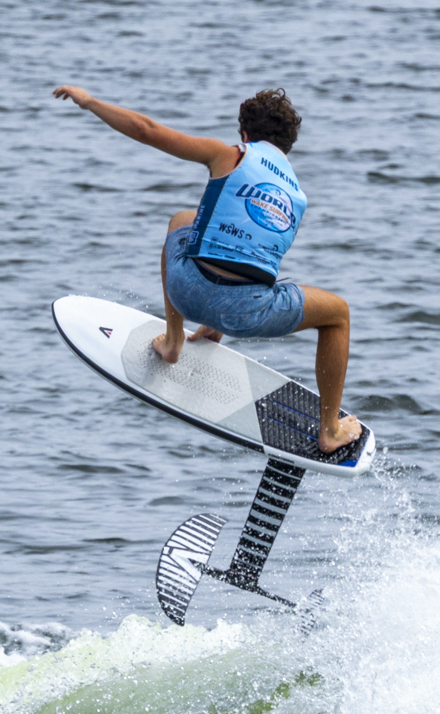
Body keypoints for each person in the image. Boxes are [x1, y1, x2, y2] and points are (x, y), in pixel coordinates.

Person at [50, 86, 362, 453]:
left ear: (244, 135)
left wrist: (91, 102)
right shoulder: (296, 197)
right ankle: (329, 429)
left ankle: (173, 339)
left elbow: (147, 130)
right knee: (337, 315)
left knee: (181, 220)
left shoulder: (229, 155)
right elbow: (252, 259)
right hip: (249, 316)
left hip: (187, 291)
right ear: (289, 145)